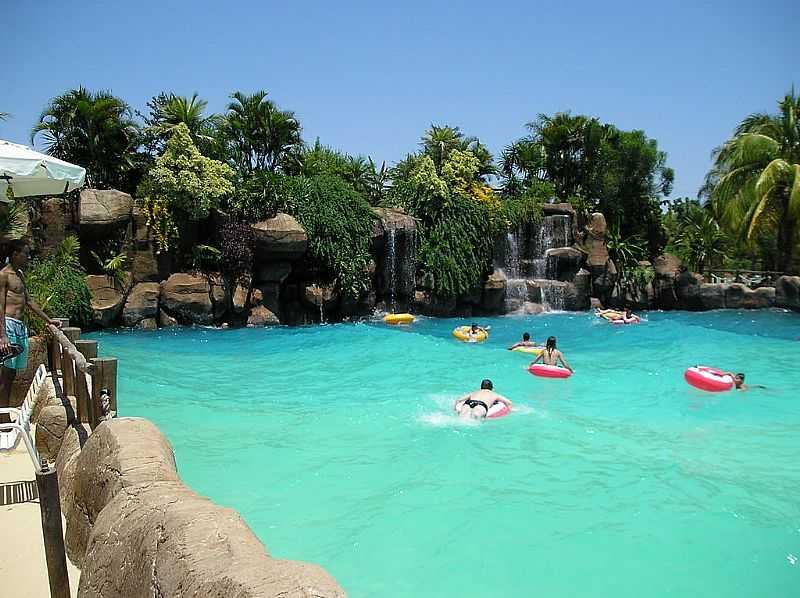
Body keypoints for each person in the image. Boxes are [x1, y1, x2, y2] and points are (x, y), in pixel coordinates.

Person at [0, 240, 62, 425]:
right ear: (15, 254)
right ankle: (2, 417)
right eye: (26, 254)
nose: (28, 257)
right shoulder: (3, 275)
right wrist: (2, 335)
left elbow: (28, 301)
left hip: (19, 326)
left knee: (12, 374)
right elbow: (0, 306)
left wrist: (48, 320)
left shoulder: (19, 274)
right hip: (8, 325)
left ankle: (3, 414)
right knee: (5, 373)